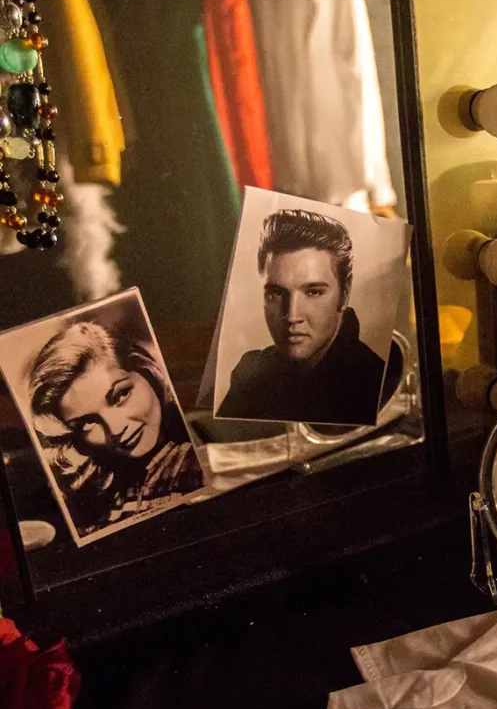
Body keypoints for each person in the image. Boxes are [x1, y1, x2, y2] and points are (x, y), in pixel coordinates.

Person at [29, 319, 203, 537]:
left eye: (121, 395)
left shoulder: (195, 464)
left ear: (146, 371)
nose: (116, 428)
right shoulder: (100, 495)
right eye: (87, 422)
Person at [216, 208, 386, 425]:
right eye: (276, 293)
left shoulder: (375, 380)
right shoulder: (250, 373)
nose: (292, 315)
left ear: (345, 293)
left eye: (313, 292)